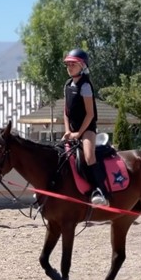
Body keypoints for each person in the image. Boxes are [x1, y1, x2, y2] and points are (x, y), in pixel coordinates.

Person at [62, 48, 109, 206]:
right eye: (68, 64)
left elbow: (89, 114)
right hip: (72, 131)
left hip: (87, 130)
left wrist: (78, 134)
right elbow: (66, 112)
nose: (69, 67)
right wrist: (68, 131)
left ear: (82, 66)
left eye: (73, 64)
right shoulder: (67, 85)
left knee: (89, 156)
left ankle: (99, 190)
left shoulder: (85, 86)